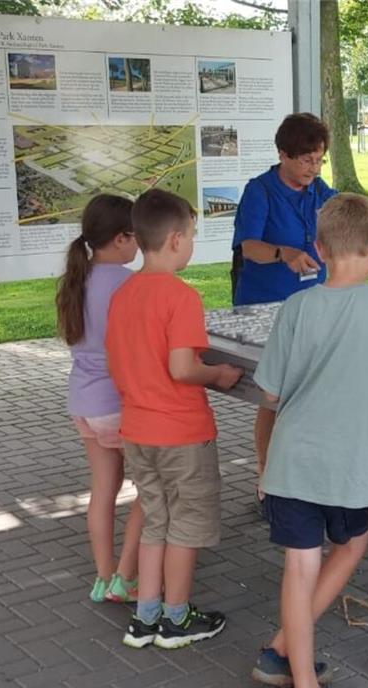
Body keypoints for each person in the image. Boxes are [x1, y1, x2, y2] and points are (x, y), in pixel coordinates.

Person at [251, 194, 368, 688]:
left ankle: (295, 675)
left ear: (318, 249)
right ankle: (290, 665)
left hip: (292, 462)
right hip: (351, 466)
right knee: (351, 546)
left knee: (297, 568)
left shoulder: (295, 307)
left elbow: (270, 392)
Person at [230, 113, 368, 493]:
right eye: (306, 159)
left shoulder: (320, 190)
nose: (313, 167)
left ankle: (310, 469)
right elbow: (249, 247)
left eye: (319, 159)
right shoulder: (259, 191)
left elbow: (352, 219)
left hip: (316, 304)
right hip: (266, 304)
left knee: (311, 388)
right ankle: (266, 475)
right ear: (283, 155)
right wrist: (284, 253)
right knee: (274, 396)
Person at [105, 189, 244, 650]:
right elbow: (183, 368)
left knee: (155, 521)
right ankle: (177, 618)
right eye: (193, 236)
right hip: (182, 433)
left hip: (137, 432)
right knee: (186, 524)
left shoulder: (123, 294)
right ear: (177, 240)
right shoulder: (182, 297)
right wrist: (219, 374)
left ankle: (145, 618)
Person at [55, 194, 143, 604]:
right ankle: (126, 576)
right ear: (123, 238)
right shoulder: (128, 282)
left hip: (83, 404)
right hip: (119, 404)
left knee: (103, 490)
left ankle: (103, 576)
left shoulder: (78, 278)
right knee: (153, 487)